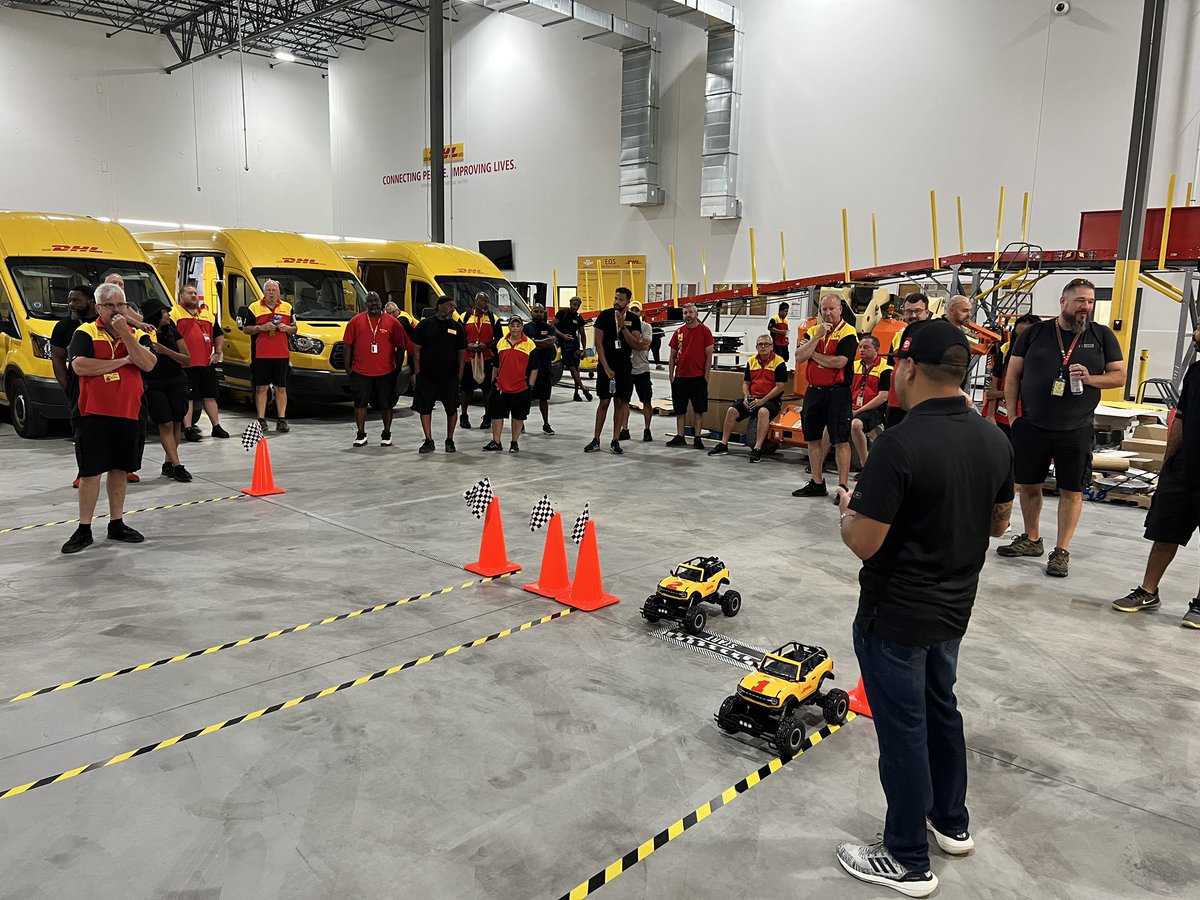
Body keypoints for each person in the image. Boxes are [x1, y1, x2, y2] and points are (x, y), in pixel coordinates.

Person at [834, 319, 1014, 898]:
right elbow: (999, 521)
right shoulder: (994, 439)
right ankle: (950, 821)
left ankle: (906, 856)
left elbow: (864, 540)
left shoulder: (900, 443)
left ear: (908, 368)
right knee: (942, 710)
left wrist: (847, 508)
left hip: (896, 615)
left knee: (903, 730)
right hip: (954, 608)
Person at [998, 278, 1126, 578]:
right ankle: (1031, 539)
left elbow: (1119, 377)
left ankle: (1062, 550)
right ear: (1063, 302)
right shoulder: (1034, 334)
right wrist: (1015, 418)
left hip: (1076, 428)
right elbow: (1013, 376)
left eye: (1091, 302)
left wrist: (1091, 378)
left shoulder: (1102, 335)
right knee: (1029, 484)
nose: (1086, 307)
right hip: (1032, 425)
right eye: (1080, 301)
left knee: (1071, 490)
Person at [1112, 323, 1200, 628]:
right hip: (1184, 470)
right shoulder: (1197, 371)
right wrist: (1168, 463)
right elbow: (1182, 418)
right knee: (1165, 533)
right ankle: (1148, 591)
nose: (1196, 332)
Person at [60, 283, 158, 555]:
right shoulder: (86, 332)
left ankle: (117, 523)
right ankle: (84, 528)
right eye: (110, 305)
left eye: (121, 305)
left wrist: (126, 335)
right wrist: (123, 361)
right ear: (99, 307)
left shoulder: (137, 333)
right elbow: (80, 366)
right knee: (91, 472)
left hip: (129, 412)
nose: (116, 310)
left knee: (119, 470)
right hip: (93, 414)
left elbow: (148, 364)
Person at [50, 284, 131, 488]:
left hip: (117, 391)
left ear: (92, 303)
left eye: (77, 300)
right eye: (70, 300)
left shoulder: (115, 323)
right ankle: (83, 471)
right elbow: (58, 358)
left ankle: (122, 469)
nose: (72, 304)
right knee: (83, 434)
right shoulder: (65, 327)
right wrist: (66, 386)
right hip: (81, 386)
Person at [793, 293, 858, 498]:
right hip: (814, 391)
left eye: (831, 309)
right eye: (824, 309)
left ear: (840, 310)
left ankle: (842, 487)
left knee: (840, 440)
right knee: (812, 438)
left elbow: (839, 362)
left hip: (838, 393)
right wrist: (817, 337)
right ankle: (817, 482)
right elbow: (798, 356)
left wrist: (813, 355)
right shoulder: (814, 330)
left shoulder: (848, 332)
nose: (827, 313)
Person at [585, 287, 646, 454]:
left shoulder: (633, 319)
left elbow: (635, 344)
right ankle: (596, 439)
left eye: (620, 299)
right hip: (606, 365)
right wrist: (605, 367)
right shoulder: (604, 316)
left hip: (624, 366)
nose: (616, 301)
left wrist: (622, 327)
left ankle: (615, 440)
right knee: (604, 402)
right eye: (615, 298)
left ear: (627, 302)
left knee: (620, 402)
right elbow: (598, 343)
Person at [707, 334, 787, 462]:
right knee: (732, 411)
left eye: (766, 344)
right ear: (756, 347)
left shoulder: (779, 362)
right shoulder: (752, 361)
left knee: (763, 411)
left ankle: (757, 449)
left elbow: (780, 387)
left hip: (770, 401)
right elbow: (746, 383)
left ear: (771, 347)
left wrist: (762, 401)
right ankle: (723, 444)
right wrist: (746, 397)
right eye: (760, 344)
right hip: (752, 398)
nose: (763, 347)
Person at [343, 290, 408, 447]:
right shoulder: (355, 321)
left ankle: (386, 434)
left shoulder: (393, 323)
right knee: (360, 404)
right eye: (371, 301)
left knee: (386, 404)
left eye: (377, 301)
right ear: (365, 304)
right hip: (361, 371)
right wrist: (347, 367)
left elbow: (401, 346)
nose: (374, 304)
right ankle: (361, 434)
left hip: (386, 372)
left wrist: (397, 368)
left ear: (381, 303)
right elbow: (348, 345)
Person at [140, 297, 193, 482]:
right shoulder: (142, 334)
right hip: (154, 384)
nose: (168, 316)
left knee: (177, 422)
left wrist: (165, 350)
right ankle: (178, 466)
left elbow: (187, 359)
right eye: (164, 313)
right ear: (155, 316)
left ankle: (169, 461)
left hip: (176, 381)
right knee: (166, 424)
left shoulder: (173, 332)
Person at [171, 284, 228, 442]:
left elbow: (218, 334)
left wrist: (217, 352)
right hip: (186, 365)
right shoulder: (175, 313)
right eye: (190, 293)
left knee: (210, 395)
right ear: (181, 296)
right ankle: (188, 429)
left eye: (195, 293)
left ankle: (216, 426)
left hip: (205, 363)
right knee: (188, 397)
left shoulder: (207, 315)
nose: (194, 296)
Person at [237, 279, 296, 433]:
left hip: (281, 354)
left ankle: (281, 419)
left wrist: (287, 328)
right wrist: (261, 327)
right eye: (268, 290)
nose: (271, 293)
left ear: (279, 292)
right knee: (261, 388)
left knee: (281, 388)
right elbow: (246, 329)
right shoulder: (254, 307)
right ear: (264, 292)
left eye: (274, 290)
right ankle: (261, 420)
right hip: (261, 355)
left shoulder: (287, 307)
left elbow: (295, 328)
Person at [411, 295, 467, 453]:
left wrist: (460, 373)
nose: (453, 309)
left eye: (454, 307)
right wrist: (417, 372)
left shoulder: (457, 328)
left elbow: (461, 352)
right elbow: (416, 351)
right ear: (440, 306)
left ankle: (450, 440)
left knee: (451, 408)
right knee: (425, 408)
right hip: (427, 376)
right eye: (450, 306)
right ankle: (428, 440)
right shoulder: (424, 325)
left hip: (449, 377)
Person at [484, 316, 537, 453]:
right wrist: (493, 382)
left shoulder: (529, 344)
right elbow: (496, 364)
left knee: (518, 416)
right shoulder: (501, 342)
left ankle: (514, 442)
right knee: (496, 415)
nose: (515, 328)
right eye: (512, 325)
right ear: (509, 327)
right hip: (501, 386)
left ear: (521, 327)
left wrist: (530, 386)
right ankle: (496, 441)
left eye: (517, 325)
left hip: (521, 388)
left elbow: (534, 368)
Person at [665, 303, 715, 449]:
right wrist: (671, 375)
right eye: (685, 313)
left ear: (696, 314)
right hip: (680, 377)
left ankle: (697, 437)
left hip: (698, 378)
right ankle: (680, 436)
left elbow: (708, 357)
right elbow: (672, 355)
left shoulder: (705, 331)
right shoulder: (678, 332)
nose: (688, 315)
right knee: (680, 409)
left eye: (691, 312)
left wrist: (706, 377)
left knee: (699, 410)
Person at [983, 313, 1040, 435]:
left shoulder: (1044, 355)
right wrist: (990, 415)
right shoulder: (1006, 349)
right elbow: (995, 381)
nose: (1020, 340)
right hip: (1000, 417)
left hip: (1028, 419)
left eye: (1025, 336)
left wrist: (999, 394)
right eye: (1017, 335)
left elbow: (1032, 393)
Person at [885, 294, 931, 428]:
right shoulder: (898, 336)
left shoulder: (934, 336)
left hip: (922, 405)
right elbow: (891, 367)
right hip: (896, 404)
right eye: (909, 311)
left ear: (927, 313)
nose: (913, 316)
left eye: (918, 311)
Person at [849, 335, 891, 469]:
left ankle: (865, 465)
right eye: (860, 347)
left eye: (866, 347)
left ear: (877, 349)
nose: (861, 350)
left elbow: (883, 397)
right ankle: (819, 464)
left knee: (856, 424)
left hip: (874, 410)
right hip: (853, 407)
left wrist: (857, 411)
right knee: (829, 421)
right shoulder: (854, 366)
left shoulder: (886, 368)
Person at [460, 292, 498, 430]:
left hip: (487, 358)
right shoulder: (464, 317)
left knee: (487, 389)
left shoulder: (493, 318)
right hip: (468, 359)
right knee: (466, 389)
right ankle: (464, 416)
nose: (485, 303)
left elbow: (499, 338)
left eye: (487, 301)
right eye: (483, 300)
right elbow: (459, 337)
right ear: (475, 301)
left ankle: (487, 416)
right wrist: (467, 345)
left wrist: (486, 345)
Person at [623, 300, 656, 442]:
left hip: (642, 369)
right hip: (626, 369)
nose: (634, 313)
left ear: (641, 313)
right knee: (624, 401)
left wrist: (632, 343)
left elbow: (645, 344)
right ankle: (624, 429)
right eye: (632, 310)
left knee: (646, 401)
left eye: (637, 310)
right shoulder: (624, 326)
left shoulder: (646, 327)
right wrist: (637, 343)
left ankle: (647, 429)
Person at [524, 303, 558, 435]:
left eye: (540, 311)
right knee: (526, 398)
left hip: (544, 369)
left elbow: (550, 342)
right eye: (535, 311)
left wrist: (533, 342)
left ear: (544, 312)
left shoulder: (549, 328)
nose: (538, 314)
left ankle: (546, 424)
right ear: (531, 312)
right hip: (528, 369)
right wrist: (541, 342)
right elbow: (524, 343)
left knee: (544, 398)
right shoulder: (525, 328)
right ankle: (520, 424)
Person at [554, 296, 592, 401]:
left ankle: (576, 393)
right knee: (572, 368)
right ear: (570, 303)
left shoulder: (579, 318)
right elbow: (552, 326)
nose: (575, 307)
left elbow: (582, 334)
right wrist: (563, 336)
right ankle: (583, 389)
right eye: (574, 305)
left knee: (576, 369)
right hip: (564, 346)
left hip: (574, 346)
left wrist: (584, 349)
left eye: (578, 306)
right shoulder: (562, 314)